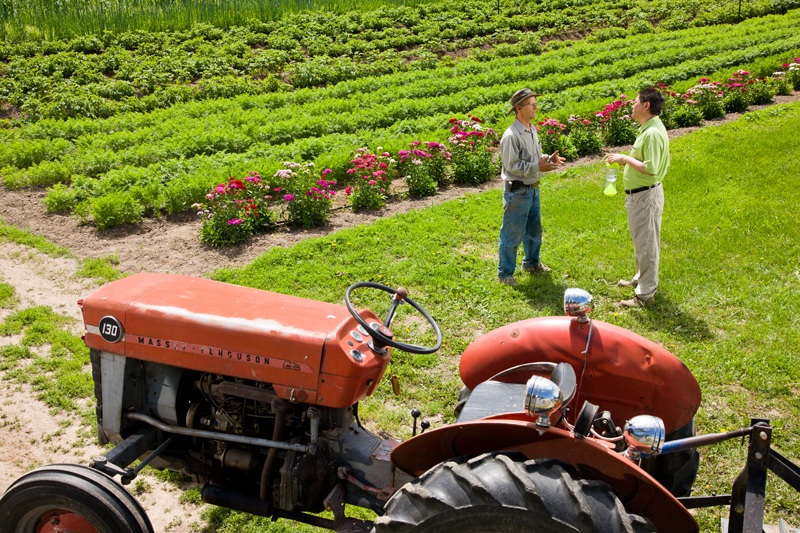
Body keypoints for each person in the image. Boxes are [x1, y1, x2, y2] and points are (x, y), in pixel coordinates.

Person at [605, 88, 670, 307]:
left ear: (646, 105)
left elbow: (650, 168)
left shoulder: (651, 133)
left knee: (647, 244)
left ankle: (645, 294)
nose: (631, 105)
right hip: (642, 195)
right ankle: (641, 279)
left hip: (644, 196)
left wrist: (624, 158)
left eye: (635, 102)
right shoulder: (649, 127)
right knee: (642, 240)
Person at [497, 88, 564, 287]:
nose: (536, 107)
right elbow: (512, 166)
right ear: (519, 109)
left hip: (533, 189)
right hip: (517, 192)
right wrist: (538, 166)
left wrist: (546, 160)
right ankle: (505, 274)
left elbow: (533, 158)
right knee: (512, 234)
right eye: (532, 104)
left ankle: (531, 263)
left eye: (535, 103)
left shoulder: (531, 128)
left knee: (534, 230)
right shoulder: (511, 136)